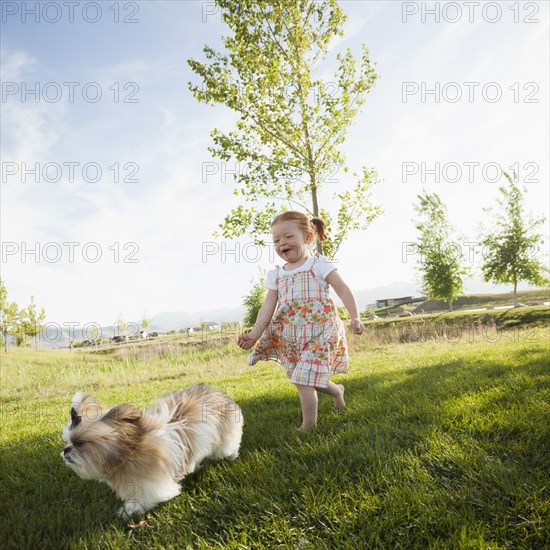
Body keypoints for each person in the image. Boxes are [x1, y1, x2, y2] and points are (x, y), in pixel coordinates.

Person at [237, 211, 364, 430]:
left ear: (307, 237)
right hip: (293, 336)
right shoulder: (276, 275)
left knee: (304, 379)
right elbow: (267, 307)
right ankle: (337, 390)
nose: (281, 243)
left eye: (288, 237)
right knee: (306, 376)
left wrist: (355, 317)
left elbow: (343, 290)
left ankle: (308, 426)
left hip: (322, 332)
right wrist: (254, 333)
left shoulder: (319, 264)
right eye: (276, 240)